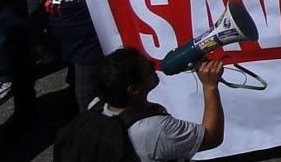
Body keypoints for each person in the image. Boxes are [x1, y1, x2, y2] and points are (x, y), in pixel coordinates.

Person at [59, 46, 226, 162]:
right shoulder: (154, 130)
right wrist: (210, 86)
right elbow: (212, 137)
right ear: (133, 90)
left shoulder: (96, 106)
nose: (154, 68)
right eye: (149, 68)